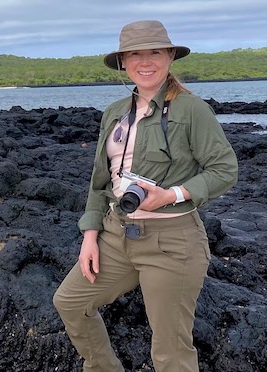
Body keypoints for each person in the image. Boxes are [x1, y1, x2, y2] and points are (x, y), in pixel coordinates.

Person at [53, 20, 238, 372]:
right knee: (71, 303)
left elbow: (225, 170)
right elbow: (99, 181)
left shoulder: (191, 110)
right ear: (123, 61)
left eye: (154, 51)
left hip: (172, 242)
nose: (145, 61)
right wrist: (90, 235)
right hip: (115, 234)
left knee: (170, 351)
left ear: (169, 56)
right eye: (135, 54)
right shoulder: (114, 113)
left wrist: (171, 195)